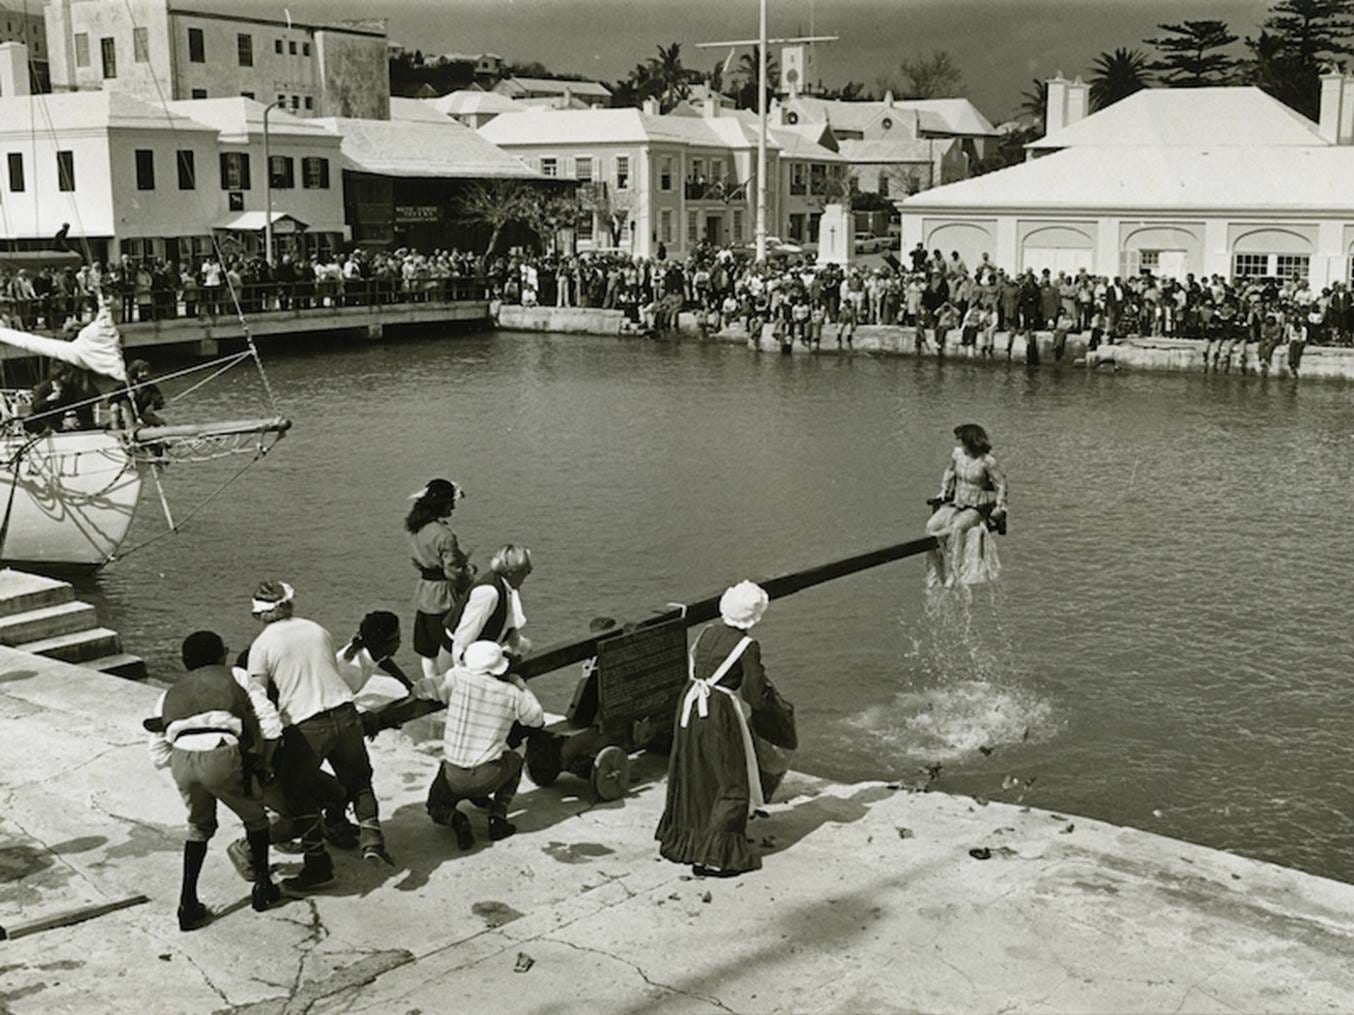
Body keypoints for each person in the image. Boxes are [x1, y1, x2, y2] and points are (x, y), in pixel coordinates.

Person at [246, 580, 392, 888]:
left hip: (306, 724)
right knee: (359, 780)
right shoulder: (317, 629)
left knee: (299, 794)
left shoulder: (261, 646)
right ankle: (372, 839)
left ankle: (317, 865)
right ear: (290, 604)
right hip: (345, 712)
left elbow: (258, 695)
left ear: (259, 615)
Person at [147, 630, 280, 930]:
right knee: (256, 820)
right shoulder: (236, 676)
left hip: (181, 758)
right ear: (222, 655)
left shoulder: (168, 694)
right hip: (222, 753)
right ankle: (262, 887)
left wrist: (189, 761)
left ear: (184, 663)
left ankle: (187, 904)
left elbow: (157, 754)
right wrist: (263, 763)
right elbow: (270, 724)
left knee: (198, 828)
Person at [655, 581, 780, 878]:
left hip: (690, 705)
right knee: (730, 779)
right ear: (753, 616)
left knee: (695, 773)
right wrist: (770, 701)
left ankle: (686, 839)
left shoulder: (708, 632)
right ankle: (715, 855)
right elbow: (752, 693)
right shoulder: (747, 646)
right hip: (718, 711)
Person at [415, 640, 545, 848]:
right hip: (488, 776)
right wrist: (521, 685)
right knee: (515, 758)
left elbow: (421, 689)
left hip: (454, 775)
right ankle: (498, 818)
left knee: (435, 806)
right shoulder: (511, 693)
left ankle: (455, 819)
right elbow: (537, 719)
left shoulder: (457, 678)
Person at [406, 479, 474, 680]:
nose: (453, 506)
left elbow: (416, 560)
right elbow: (453, 572)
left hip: (424, 592)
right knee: (457, 643)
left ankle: (431, 683)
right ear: (441, 504)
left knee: (427, 648)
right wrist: (468, 578)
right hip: (443, 596)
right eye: (451, 503)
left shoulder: (415, 529)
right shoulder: (444, 535)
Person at [925, 424, 1008, 587]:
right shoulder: (957, 455)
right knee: (931, 527)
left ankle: (954, 572)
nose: (961, 445)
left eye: (963, 441)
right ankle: (936, 572)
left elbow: (1001, 485)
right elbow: (949, 471)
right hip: (957, 502)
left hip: (977, 506)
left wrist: (1000, 506)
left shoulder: (987, 461)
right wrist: (944, 490)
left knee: (956, 528)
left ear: (972, 442)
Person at [437, 544, 533, 671]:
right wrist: (460, 672)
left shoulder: (506, 587)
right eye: (526, 571)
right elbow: (464, 635)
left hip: (476, 659)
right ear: (511, 573)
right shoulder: (488, 593)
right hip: (455, 657)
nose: (527, 576)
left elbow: (508, 622)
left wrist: (520, 646)